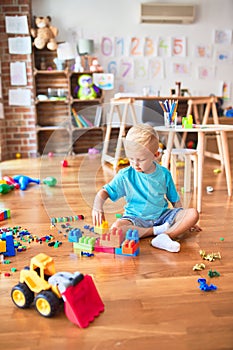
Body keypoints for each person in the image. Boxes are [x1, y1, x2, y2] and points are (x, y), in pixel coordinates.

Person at [92, 124, 201, 253]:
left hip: (163, 216)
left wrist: (183, 219)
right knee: (117, 227)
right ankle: (157, 231)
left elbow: (175, 201)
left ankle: (165, 237)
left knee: (193, 214)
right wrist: (97, 205)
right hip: (135, 219)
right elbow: (105, 191)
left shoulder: (164, 174)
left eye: (140, 159)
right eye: (131, 159)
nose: (135, 164)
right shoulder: (125, 175)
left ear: (156, 155)